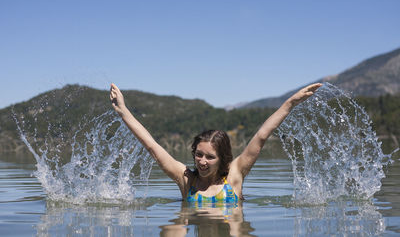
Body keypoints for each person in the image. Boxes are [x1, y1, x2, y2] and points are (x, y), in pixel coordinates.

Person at [110, 83, 322, 203]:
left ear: (223, 159)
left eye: (210, 157)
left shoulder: (235, 175)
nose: (202, 161)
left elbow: (261, 136)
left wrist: (289, 103)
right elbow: (152, 147)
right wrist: (123, 112)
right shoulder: (187, 180)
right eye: (199, 154)